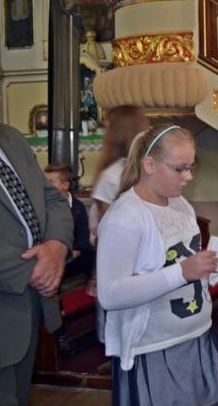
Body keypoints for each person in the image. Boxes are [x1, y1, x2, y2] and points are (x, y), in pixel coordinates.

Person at [97, 124, 218, 405]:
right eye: (179, 169)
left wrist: (213, 271)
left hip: (196, 336)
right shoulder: (125, 216)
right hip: (154, 348)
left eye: (191, 167)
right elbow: (111, 294)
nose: (188, 177)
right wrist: (183, 272)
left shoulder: (180, 204)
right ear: (149, 165)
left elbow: (181, 265)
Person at [0, 45, 73, 405]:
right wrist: (34, 268)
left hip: (27, 311)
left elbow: (52, 200)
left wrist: (56, 247)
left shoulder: (10, 138)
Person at [88, 105, 149, 342]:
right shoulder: (131, 171)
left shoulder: (116, 173)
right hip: (134, 256)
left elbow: (107, 228)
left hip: (126, 257)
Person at [44, 163, 93, 280]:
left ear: (65, 185)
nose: (45, 185)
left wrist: (73, 252)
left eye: (50, 182)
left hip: (71, 256)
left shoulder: (78, 207)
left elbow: (82, 236)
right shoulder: (41, 206)